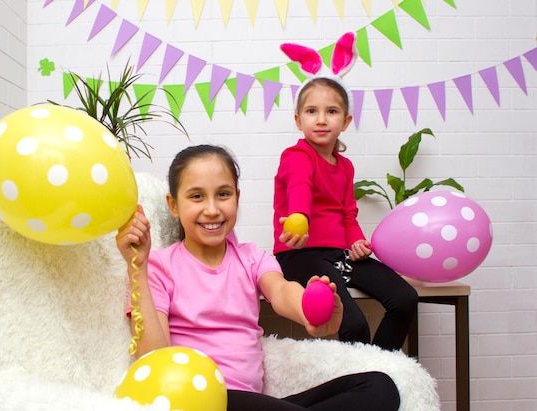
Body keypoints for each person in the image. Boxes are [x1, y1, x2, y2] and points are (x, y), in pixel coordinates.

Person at [116, 144, 400, 411]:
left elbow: (282, 291)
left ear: (237, 198)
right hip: (200, 400)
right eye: (197, 196)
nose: (212, 209)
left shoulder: (252, 259)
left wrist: (312, 310)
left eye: (223, 194)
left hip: (253, 402)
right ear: (174, 205)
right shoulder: (158, 266)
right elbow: (152, 358)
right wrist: (137, 268)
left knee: (380, 387)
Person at [273, 77, 419, 351]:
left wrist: (357, 243)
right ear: (298, 120)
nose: (321, 119)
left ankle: (381, 369)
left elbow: (347, 214)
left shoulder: (345, 166)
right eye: (311, 111)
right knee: (354, 323)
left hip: (339, 255)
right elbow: (300, 186)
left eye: (331, 111)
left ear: (346, 121)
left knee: (405, 298)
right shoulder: (296, 156)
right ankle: (369, 383)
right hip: (300, 254)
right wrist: (300, 218)